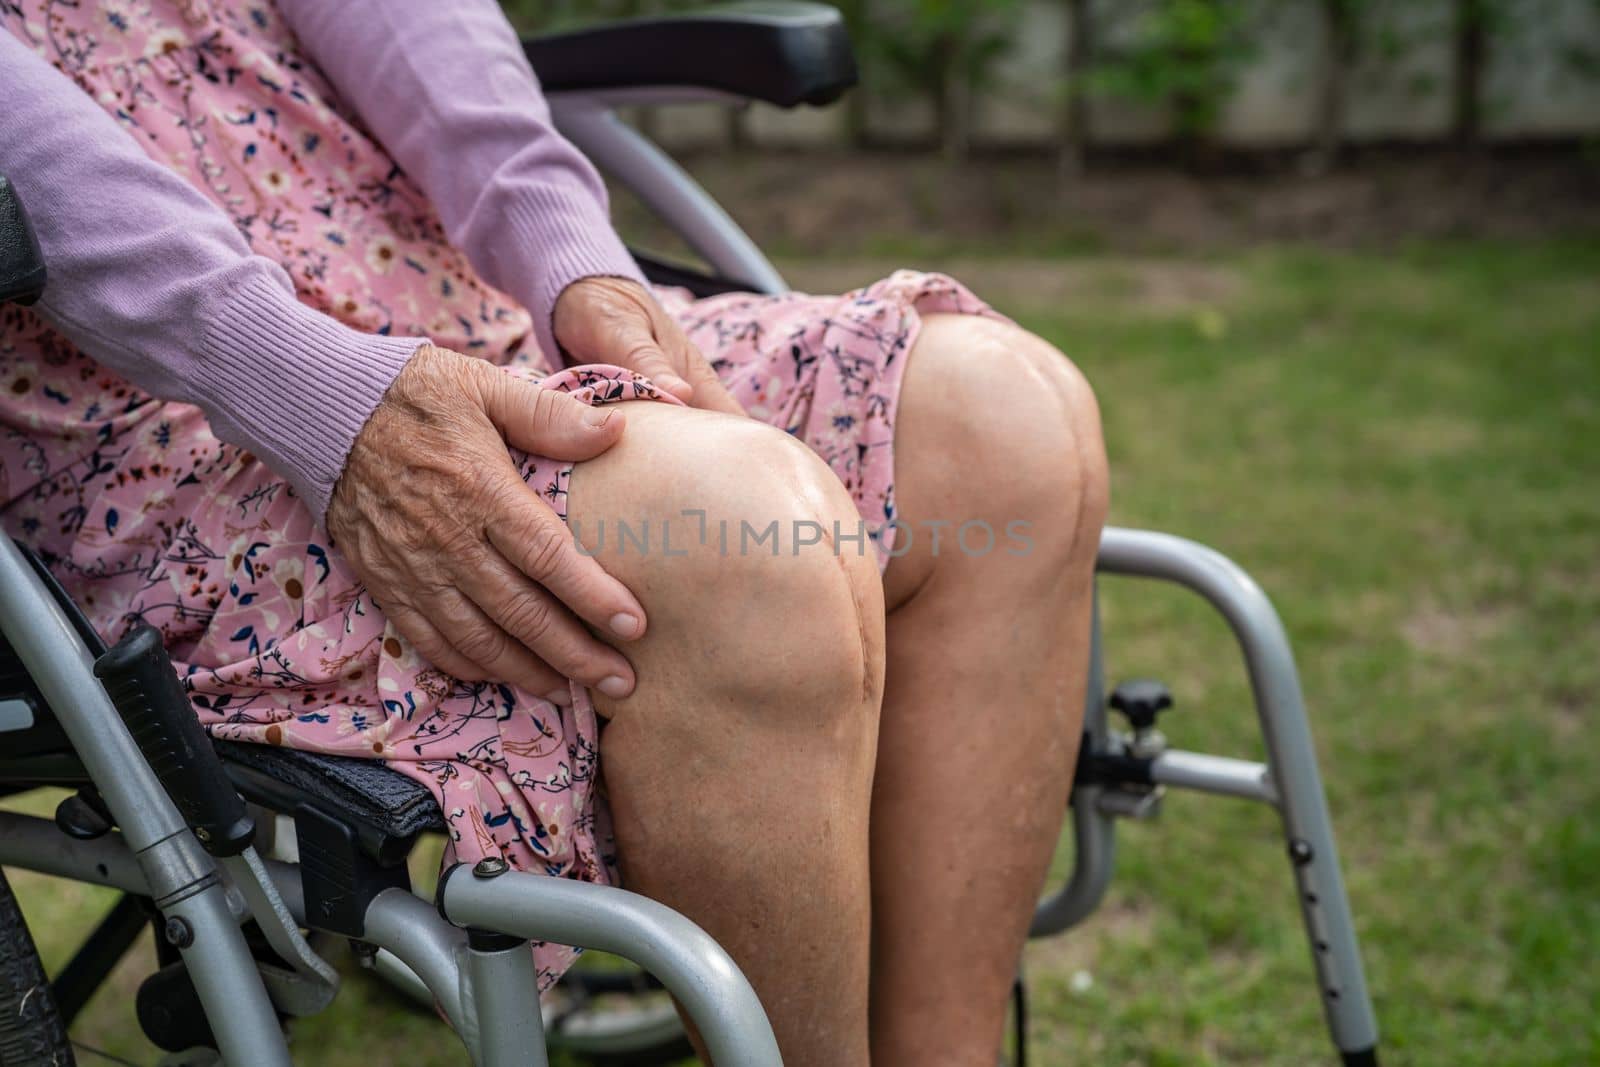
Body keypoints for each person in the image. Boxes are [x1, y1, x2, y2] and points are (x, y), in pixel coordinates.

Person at [0, 1, 1108, 1063]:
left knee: (1005, 419)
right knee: (729, 538)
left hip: (439, 288)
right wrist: (304, 385)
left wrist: (571, 256)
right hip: (146, 413)